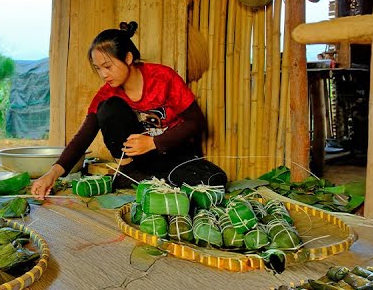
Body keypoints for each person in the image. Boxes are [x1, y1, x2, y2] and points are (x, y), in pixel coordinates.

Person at [30, 22, 226, 199]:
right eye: (98, 68)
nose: (103, 74)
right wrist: (52, 174)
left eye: (107, 66)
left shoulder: (163, 78)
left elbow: (196, 122)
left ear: (128, 57)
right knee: (107, 109)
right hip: (139, 161)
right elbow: (84, 136)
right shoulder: (107, 93)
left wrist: (154, 142)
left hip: (173, 153)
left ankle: (149, 181)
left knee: (214, 180)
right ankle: (130, 174)